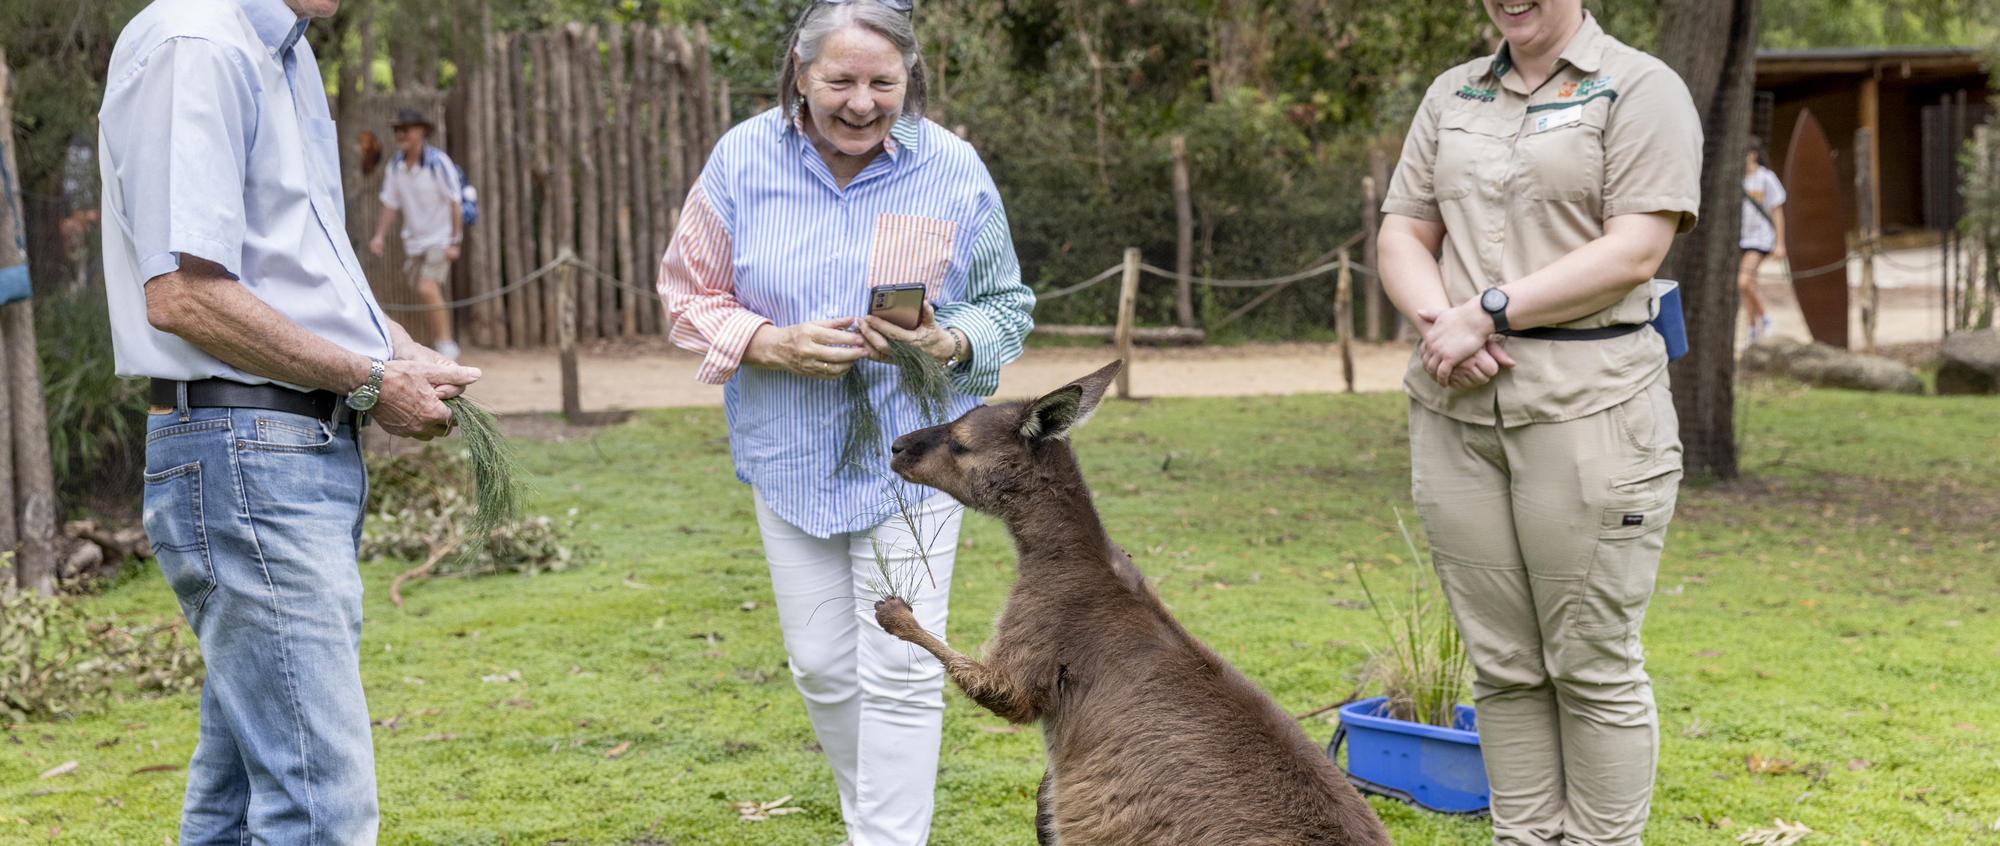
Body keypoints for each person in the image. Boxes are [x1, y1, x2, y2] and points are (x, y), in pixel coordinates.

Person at [97, 0, 480, 841]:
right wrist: (372, 381)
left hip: (287, 447)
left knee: (237, 798)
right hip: (246, 452)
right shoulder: (197, 43)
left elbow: (296, 270)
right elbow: (185, 294)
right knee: (319, 806)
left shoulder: (286, 52)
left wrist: (398, 349)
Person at [656, 2, 1034, 842]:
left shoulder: (954, 168)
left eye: (882, 82)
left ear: (909, 78)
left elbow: (1007, 305)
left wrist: (950, 336)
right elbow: (687, 295)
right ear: (800, 72)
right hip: (787, 455)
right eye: (840, 80)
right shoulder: (742, 160)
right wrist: (766, 341)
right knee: (824, 669)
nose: (861, 102)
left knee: (900, 668)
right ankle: (878, 824)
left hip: (919, 460)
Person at [1375, 1, 1701, 844]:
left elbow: (1635, 249)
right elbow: (1403, 231)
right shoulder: (1453, 94)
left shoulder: (1640, 88)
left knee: (1591, 666)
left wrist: (1489, 311)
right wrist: (1439, 320)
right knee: (1505, 668)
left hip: (1589, 406)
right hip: (1456, 404)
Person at [369, 108, 465, 361]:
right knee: (420, 289)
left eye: (407, 129)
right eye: (398, 130)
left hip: (440, 238)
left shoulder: (437, 162)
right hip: (413, 242)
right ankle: (435, 343)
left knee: (426, 286)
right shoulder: (395, 166)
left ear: (421, 131)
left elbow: (456, 202)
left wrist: (454, 240)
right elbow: (390, 203)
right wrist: (379, 235)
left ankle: (447, 346)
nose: (402, 134)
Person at [1739, 137, 1787, 343]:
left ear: (1753, 154)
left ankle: (1766, 320)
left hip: (1760, 239)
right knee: (1749, 285)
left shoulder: (1766, 178)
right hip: (1741, 239)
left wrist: (1780, 243)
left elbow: (1777, 212)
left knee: (1743, 282)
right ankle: (1752, 331)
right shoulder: (1737, 180)